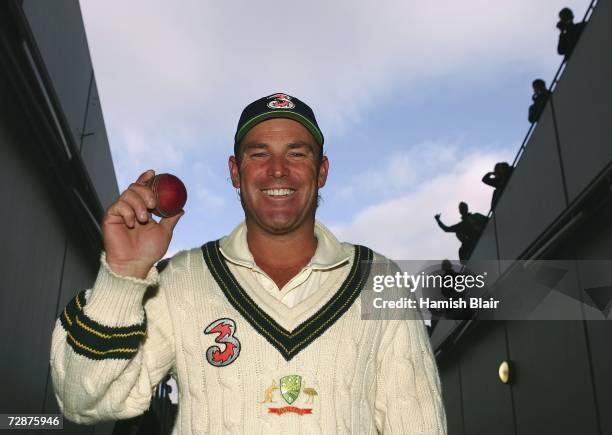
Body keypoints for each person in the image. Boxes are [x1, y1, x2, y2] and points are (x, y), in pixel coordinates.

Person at [50, 93, 447, 434]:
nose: (278, 170)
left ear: (321, 171)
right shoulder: (181, 280)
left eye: (297, 153)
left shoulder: (380, 279)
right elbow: (83, 400)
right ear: (235, 173)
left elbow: (419, 425)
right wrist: (124, 274)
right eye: (259, 154)